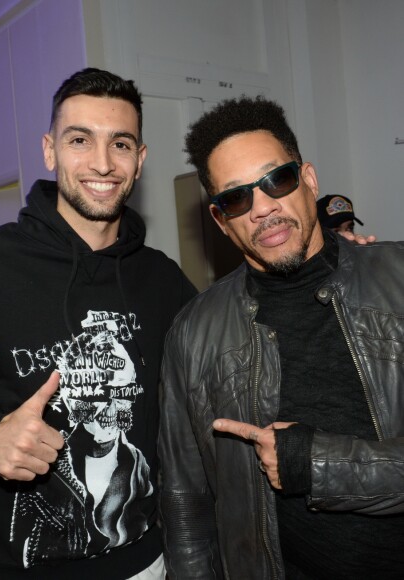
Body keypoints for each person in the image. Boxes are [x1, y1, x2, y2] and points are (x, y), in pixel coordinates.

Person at [0, 68, 197, 579]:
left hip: (146, 565)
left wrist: (336, 261)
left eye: (120, 144)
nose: (101, 163)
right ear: (50, 151)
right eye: (80, 140)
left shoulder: (163, 279)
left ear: (139, 161)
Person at [158, 95, 404, 579]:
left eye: (277, 180)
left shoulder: (397, 281)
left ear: (309, 180)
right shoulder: (193, 333)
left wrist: (315, 463)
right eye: (235, 198)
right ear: (220, 219)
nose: (262, 208)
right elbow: (186, 504)